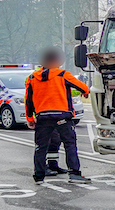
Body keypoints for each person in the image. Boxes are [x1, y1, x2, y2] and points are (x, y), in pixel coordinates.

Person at [25, 48, 90, 185]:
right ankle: (74, 174)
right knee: (69, 144)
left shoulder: (32, 78)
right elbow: (82, 87)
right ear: (56, 60)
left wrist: (30, 118)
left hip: (42, 117)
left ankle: (39, 175)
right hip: (62, 116)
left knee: (40, 147)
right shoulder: (62, 74)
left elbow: (28, 100)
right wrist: (85, 92)